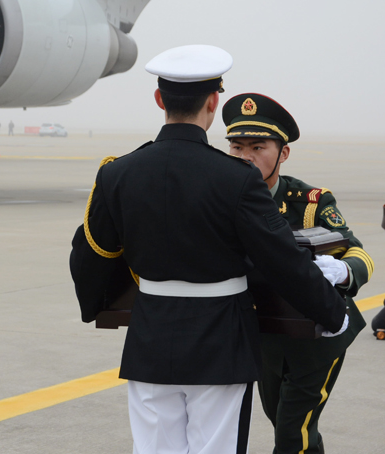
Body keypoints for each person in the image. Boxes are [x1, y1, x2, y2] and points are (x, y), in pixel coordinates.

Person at [69, 45, 349, 454]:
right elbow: (281, 258)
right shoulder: (235, 178)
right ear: (214, 103)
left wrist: (92, 305)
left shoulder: (117, 173)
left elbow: (90, 253)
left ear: (160, 100)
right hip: (222, 343)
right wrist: (332, 312)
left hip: (149, 339)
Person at [223, 93, 373, 454]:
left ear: (283, 153)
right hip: (266, 336)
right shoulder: (222, 198)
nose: (245, 157)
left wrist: (342, 271)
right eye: (237, 147)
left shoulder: (309, 203)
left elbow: (358, 253)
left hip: (318, 336)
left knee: (291, 432)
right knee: (288, 423)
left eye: (258, 146)